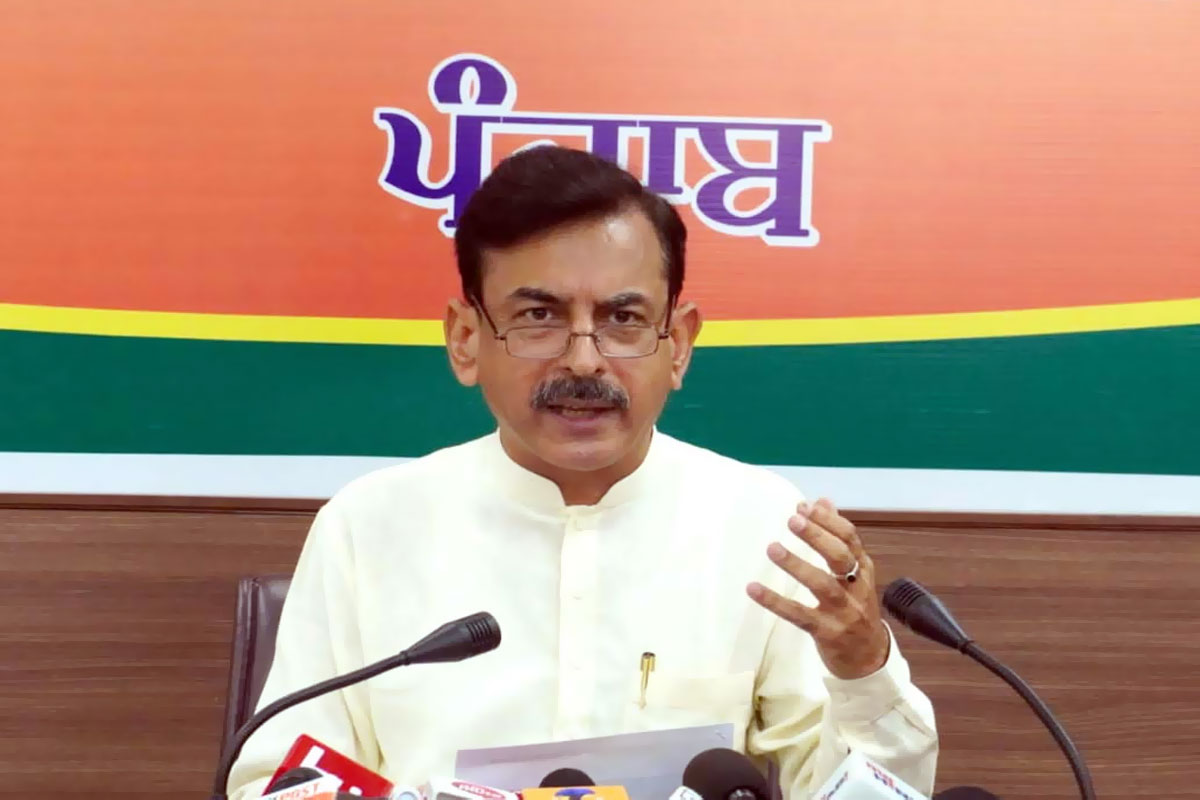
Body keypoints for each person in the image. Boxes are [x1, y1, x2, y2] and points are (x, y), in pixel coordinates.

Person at [227, 146, 937, 799]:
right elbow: (279, 781)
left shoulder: (762, 526)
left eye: (624, 318)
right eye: (539, 316)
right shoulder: (369, 525)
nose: (585, 360)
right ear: (466, 339)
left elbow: (867, 791)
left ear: (678, 345)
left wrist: (862, 668)